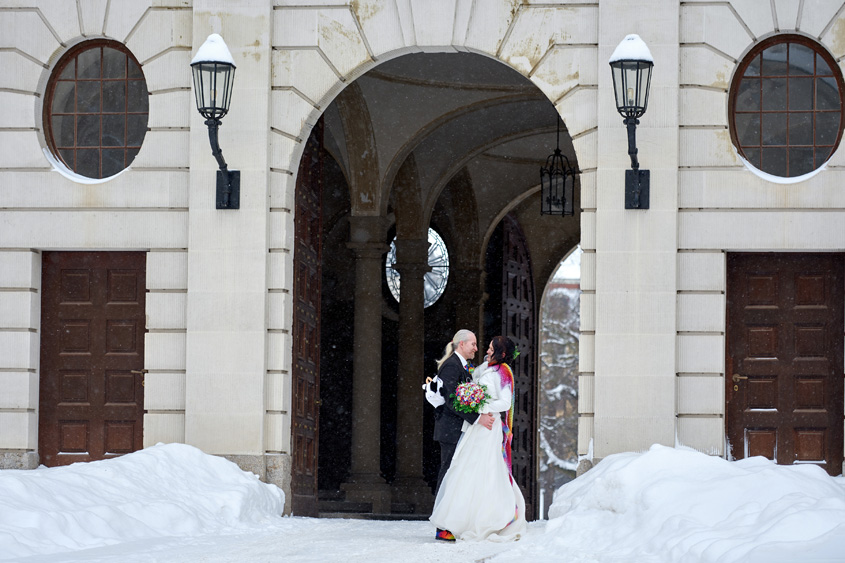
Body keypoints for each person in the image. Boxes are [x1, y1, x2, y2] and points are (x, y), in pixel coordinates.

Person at [430, 335, 526, 542]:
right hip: (475, 427)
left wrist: (481, 408)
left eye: (491, 348)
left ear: (501, 353)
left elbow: (505, 403)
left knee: (485, 472)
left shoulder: (503, 373)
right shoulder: (483, 368)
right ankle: (454, 522)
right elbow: (458, 390)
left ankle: (484, 519)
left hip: (487, 427)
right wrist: (474, 409)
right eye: (485, 347)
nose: (485, 350)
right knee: (463, 471)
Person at [432, 329, 495, 542]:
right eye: (473, 344)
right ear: (461, 344)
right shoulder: (451, 366)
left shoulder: (461, 365)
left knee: (455, 474)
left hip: (457, 429)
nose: (476, 348)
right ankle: (441, 526)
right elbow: (451, 399)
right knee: (448, 473)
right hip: (450, 430)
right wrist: (478, 418)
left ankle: (450, 521)